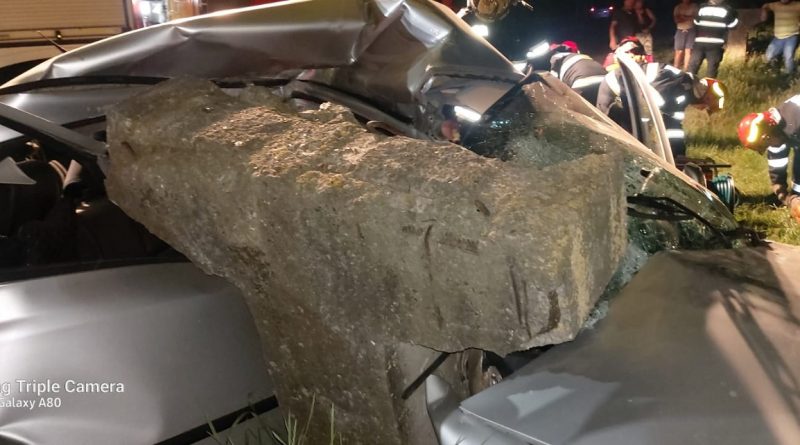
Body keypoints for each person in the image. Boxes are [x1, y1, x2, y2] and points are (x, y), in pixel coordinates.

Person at [598, 38, 728, 158]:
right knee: (616, 141)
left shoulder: (684, 89)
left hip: (626, 91)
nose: (702, 109)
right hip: (616, 89)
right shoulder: (681, 87)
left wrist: (678, 155)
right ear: (707, 98)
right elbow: (647, 101)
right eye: (706, 107)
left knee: (634, 141)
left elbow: (672, 126)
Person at [738, 96, 800, 223]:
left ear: (767, 135)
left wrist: (795, 198)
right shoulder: (777, 134)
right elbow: (777, 178)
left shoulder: (795, 121)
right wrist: (789, 199)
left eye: (764, 144)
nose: (767, 148)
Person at [687, 0, 738, 78]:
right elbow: (733, 25)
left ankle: (687, 83)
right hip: (716, 43)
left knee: (693, 67)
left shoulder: (702, 7)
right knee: (712, 69)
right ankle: (709, 85)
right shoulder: (726, 9)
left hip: (700, 41)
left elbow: (695, 22)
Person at [761, 0, 800, 75]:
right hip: (778, 37)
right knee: (769, 55)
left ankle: (789, 75)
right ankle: (773, 71)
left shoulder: (797, 5)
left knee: (788, 56)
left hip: (792, 35)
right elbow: (765, 6)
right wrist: (764, 13)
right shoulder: (775, 5)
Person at [673, 0, 698, 71]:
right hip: (680, 29)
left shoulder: (694, 6)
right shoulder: (678, 7)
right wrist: (688, 17)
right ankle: (675, 69)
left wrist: (683, 17)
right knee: (678, 51)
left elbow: (695, 18)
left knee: (688, 50)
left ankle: (685, 70)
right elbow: (676, 20)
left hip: (691, 29)